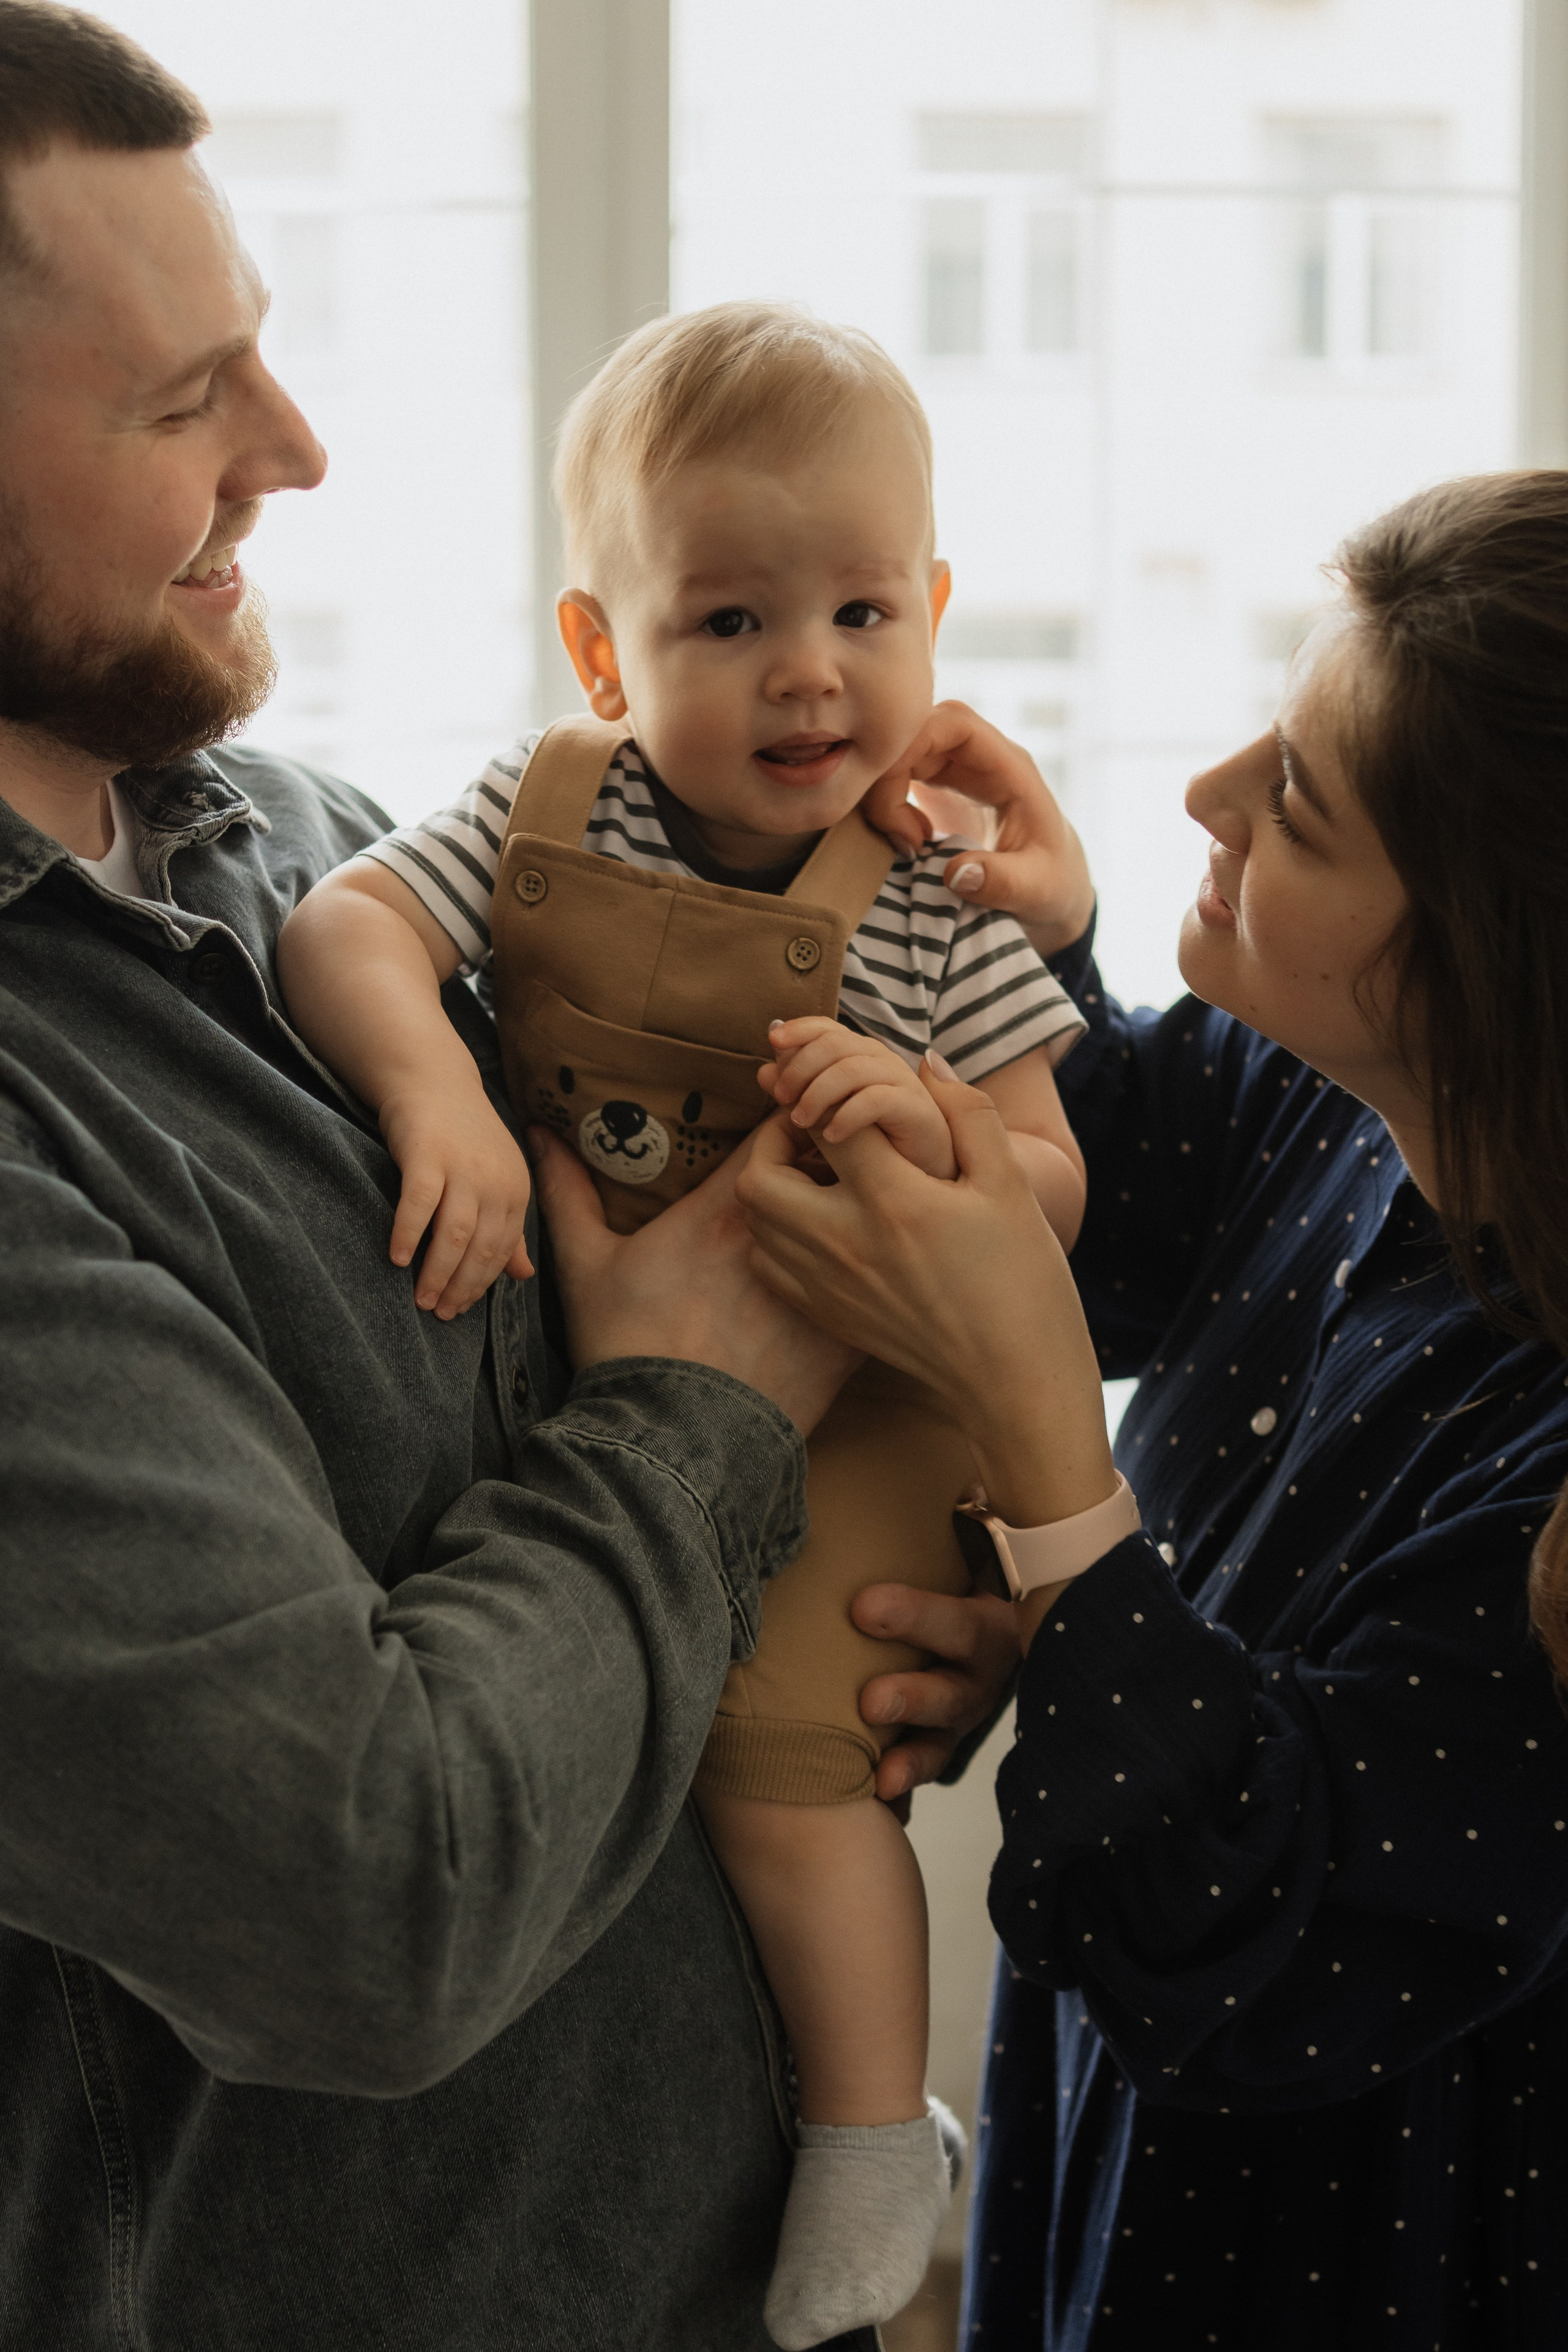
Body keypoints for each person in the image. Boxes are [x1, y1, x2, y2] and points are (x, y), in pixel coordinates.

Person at [0, 11, 1019, 2346]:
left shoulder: (322, 849)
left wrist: (850, 1627)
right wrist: (707, 1420)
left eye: (262, 355)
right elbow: (370, 1910)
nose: (301, 450)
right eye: (182, 404)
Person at [274, 300, 1088, 2346]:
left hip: (859, 1404)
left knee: (782, 1771)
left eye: (860, 608)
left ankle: (868, 2137)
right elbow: (345, 922)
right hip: (610, 1374)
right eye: (727, 621)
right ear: (601, 650)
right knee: (579, 1740)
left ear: (937, 611)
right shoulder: (552, 804)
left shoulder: (929, 884)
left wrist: (935, 1136)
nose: (808, 668)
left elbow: (1055, 1177)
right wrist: (433, 1084)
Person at [735, 472, 1568, 2348]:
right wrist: (1024, 972)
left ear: (1490, 966)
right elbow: (1096, 1211)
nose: (1211, 791)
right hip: (1116, 2181)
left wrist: (1051, 1481)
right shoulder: (1333, 1105)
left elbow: (1242, 1933)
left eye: (1301, 807)